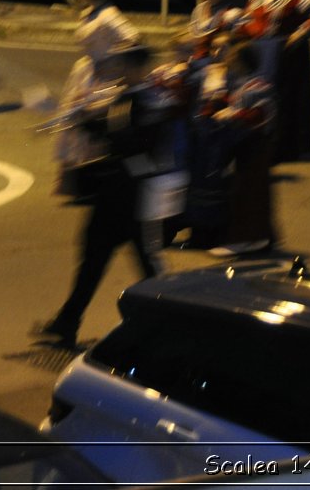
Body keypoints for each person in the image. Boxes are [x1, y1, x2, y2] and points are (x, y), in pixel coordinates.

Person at [35, 44, 170, 348]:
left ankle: (169, 320)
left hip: (134, 197)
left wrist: (103, 125)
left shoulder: (151, 101)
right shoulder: (125, 97)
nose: (118, 72)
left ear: (138, 68)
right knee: (95, 261)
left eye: (123, 66)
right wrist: (78, 117)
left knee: (143, 265)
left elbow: (139, 144)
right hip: (114, 195)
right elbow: (105, 128)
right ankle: (66, 323)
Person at [245, 0, 310, 162]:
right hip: (262, 51)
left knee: (285, 99)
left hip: (288, 53)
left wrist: (301, 33)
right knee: (261, 95)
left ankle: (284, 147)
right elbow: (248, 16)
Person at [202, 44, 276, 257]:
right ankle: (260, 238)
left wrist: (233, 115)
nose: (229, 62)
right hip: (245, 145)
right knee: (248, 192)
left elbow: (260, 114)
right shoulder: (242, 84)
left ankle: (249, 239)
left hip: (255, 145)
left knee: (248, 192)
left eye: (233, 58)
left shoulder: (259, 85)